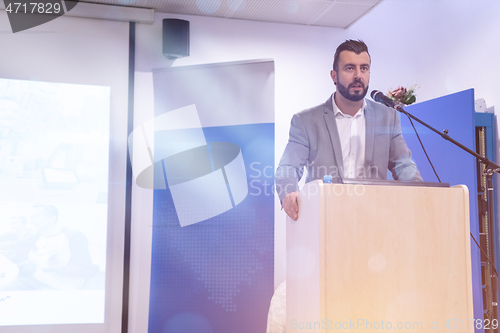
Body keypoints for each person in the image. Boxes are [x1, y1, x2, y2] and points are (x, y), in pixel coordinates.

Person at [275, 39, 422, 221]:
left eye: (364, 68)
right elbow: (287, 168)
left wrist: (419, 191)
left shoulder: (387, 117)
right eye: (350, 68)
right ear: (334, 76)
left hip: (375, 220)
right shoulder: (306, 121)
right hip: (325, 220)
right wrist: (289, 192)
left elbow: (403, 164)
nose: (358, 75)